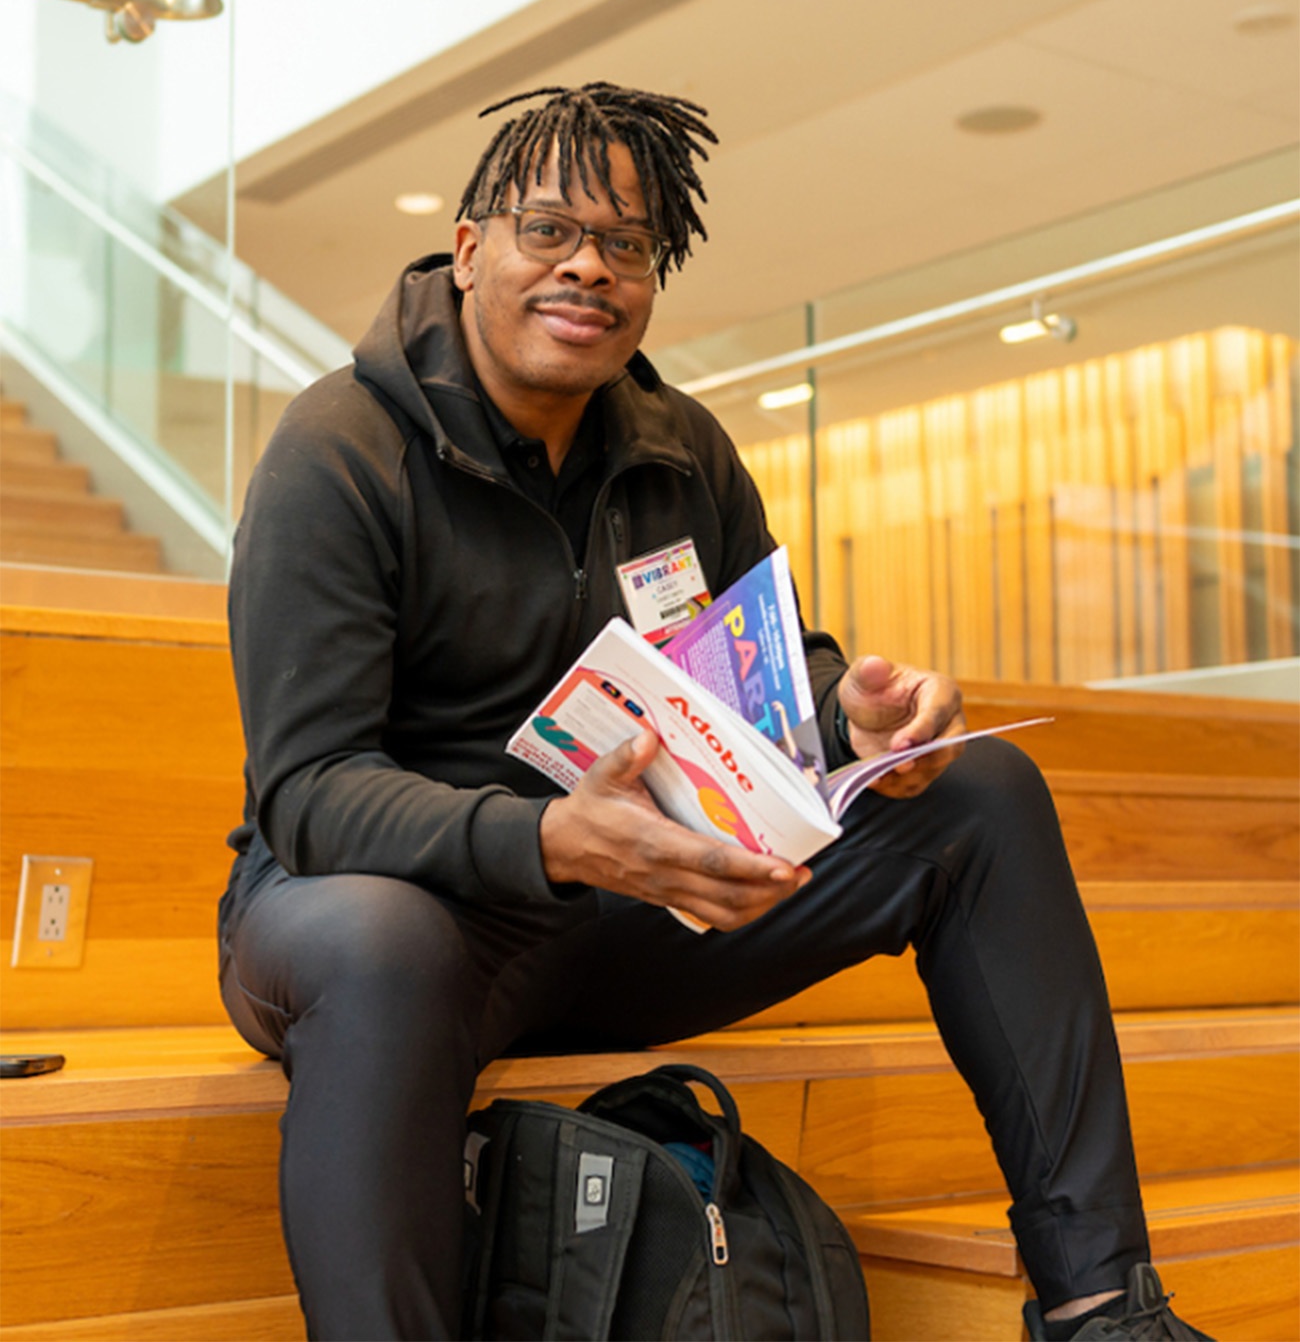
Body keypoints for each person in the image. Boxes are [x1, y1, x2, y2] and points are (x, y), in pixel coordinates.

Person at [219, 82, 1212, 1342]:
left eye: (625, 245)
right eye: (548, 230)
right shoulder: (340, 450)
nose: (586, 267)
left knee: (978, 796)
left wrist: (862, 726)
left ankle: (1101, 1304)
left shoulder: (677, 444)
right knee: (380, 939)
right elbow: (307, 793)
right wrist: (540, 840)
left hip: (627, 907)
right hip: (389, 926)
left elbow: (768, 682)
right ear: (469, 252)